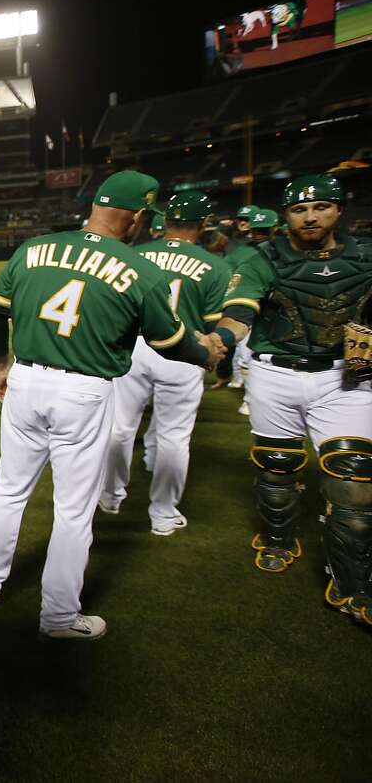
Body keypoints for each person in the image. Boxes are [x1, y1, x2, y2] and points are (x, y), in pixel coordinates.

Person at [0, 171, 223, 640]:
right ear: (140, 215)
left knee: (8, 491)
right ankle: (59, 617)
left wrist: (1, 365)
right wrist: (205, 352)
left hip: (25, 380)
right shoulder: (141, 270)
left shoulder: (33, 248)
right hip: (84, 391)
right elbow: (169, 343)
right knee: (72, 510)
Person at [212, 174, 372, 627]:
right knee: (277, 464)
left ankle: (352, 583)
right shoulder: (265, 257)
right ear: (286, 216)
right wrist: (222, 339)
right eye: (300, 210)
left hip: (346, 377)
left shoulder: (366, 255)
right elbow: (242, 308)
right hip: (274, 373)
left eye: (321, 207)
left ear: (339, 211)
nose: (310, 216)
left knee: (355, 478)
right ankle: (280, 539)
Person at [97, 191, 230, 534]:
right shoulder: (215, 264)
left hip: (136, 347)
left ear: (166, 221)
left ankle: (110, 495)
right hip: (184, 351)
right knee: (173, 437)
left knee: (120, 427)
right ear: (202, 225)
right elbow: (214, 326)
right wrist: (210, 353)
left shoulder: (133, 254)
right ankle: (163, 515)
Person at [218, 207, 279, 406]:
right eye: (256, 230)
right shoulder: (241, 252)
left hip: (278, 312)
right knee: (246, 356)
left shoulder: (285, 249)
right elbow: (224, 274)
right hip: (249, 310)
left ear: (275, 228)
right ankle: (249, 398)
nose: (259, 234)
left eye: (264, 230)